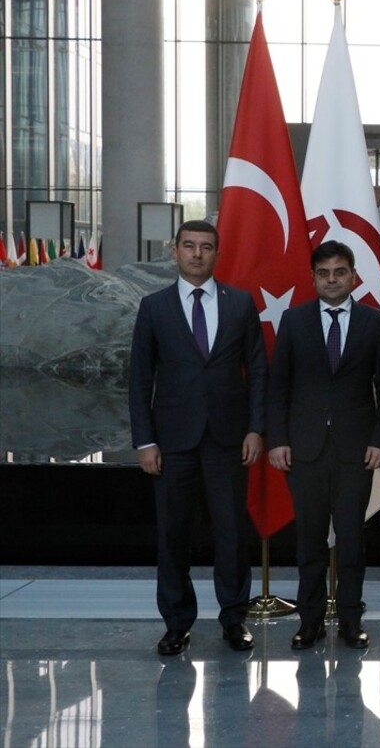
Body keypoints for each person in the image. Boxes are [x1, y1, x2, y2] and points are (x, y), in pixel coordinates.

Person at [128, 220, 266, 655]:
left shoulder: (241, 304)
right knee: (173, 535)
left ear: (216, 253)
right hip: (172, 444)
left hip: (228, 440)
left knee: (230, 534)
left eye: (206, 247)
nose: (197, 254)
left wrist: (256, 428)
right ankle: (176, 624)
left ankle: (233, 620)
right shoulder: (154, 307)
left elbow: (259, 371)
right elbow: (139, 379)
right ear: (176, 252)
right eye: (189, 246)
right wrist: (145, 442)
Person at [266, 240, 380, 650]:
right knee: (310, 542)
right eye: (324, 273)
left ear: (353, 276)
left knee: (352, 540)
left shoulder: (374, 322)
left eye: (340, 272)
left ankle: (351, 620)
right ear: (314, 277)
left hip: (357, 450)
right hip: (304, 448)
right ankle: (310, 621)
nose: (332, 280)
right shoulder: (295, 321)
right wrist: (278, 439)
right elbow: (277, 384)